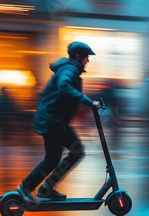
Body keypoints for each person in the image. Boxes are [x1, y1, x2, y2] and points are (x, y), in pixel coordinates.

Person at [16, 41, 100, 204]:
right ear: (78, 56)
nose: (88, 60)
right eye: (87, 57)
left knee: (77, 151)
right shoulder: (69, 69)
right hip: (51, 120)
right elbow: (64, 86)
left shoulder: (71, 69)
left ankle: (47, 188)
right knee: (52, 159)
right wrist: (89, 102)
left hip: (58, 121)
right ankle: (26, 187)